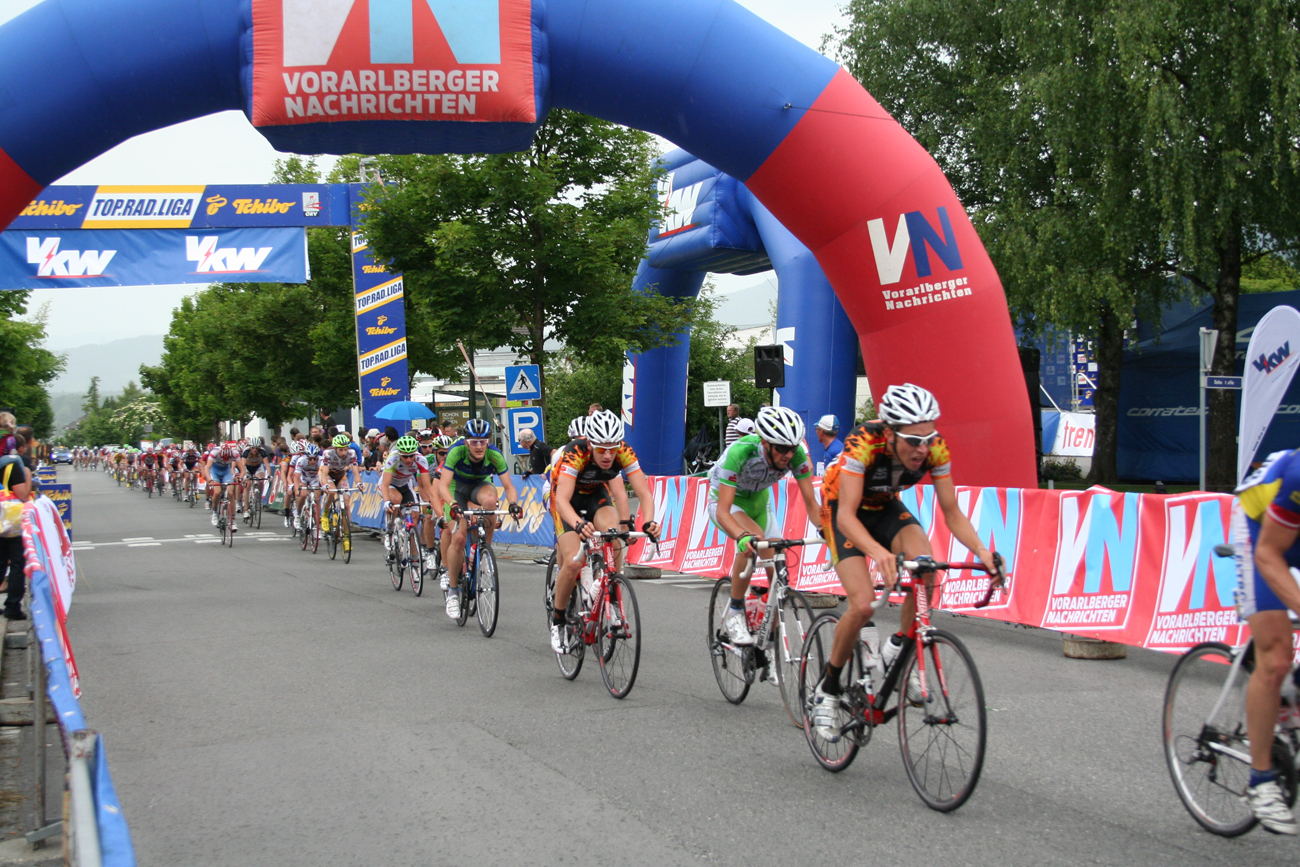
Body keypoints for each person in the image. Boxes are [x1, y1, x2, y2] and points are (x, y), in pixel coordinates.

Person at [810, 383, 1002, 742]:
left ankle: (898, 649)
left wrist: (983, 552)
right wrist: (878, 553)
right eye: (913, 441)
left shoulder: (935, 447)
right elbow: (847, 517)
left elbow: (952, 512)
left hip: (885, 506)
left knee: (926, 568)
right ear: (890, 434)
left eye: (928, 438)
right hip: (842, 511)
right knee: (863, 604)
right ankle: (828, 688)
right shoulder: (863, 443)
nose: (923, 449)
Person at [708, 406, 821, 650]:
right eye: (781, 448)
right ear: (765, 443)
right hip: (727, 502)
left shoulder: (795, 455)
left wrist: (829, 531)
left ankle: (768, 640)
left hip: (760, 503)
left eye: (792, 448)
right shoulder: (740, 452)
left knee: (779, 573)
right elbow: (723, 511)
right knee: (753, 540)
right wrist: (741, 536)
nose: (788, 455)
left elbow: (812, 504)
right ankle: (735, 611)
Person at [547, 410, 660, 653]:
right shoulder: (575, 452)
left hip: (595, 495)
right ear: (590, 444)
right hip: (565, 500)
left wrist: (648, 522)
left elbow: (644, 494)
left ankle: (612, 594)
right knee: (574, 561)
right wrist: (578, 524)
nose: (608, 455)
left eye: (612, 448)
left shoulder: (624, 451)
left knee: (613, 533)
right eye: (601, 449)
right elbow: (562, 501)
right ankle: (558, 621)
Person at [1230, 449, 1300, 834]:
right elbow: (1268, 554)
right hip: (1260, 530)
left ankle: (1290, 698)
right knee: (1275, 658)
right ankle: (1260, 781)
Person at [439, 418, 521, 620]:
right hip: (456, 489)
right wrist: (454, 505)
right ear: (466, 442)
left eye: (483, 441)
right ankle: (452, 593)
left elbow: (509, 486)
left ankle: (485, 552)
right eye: (474, 442)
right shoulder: (456, 451)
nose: (478, 446)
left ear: (488, 442)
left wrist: (513, 503)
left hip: (479, 486)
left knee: (491, 501)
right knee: (459, 537)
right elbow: (443, 485)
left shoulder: (494, 454)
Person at [0, 442, 30, 620]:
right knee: (17, 562)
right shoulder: (11, 465)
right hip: (9, 521)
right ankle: (12, 606)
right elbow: (23, 495)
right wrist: (27, 475)